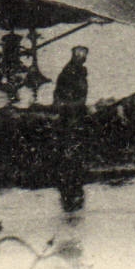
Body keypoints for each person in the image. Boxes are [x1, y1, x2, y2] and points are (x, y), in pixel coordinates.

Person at [52, 46, 90, 211]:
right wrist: (74, 107)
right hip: (71, 115)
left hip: (75, 113)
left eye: (84, 55)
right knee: (70, 142)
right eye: (80, 55)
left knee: (72, 143)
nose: (82, 57)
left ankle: (71, 173)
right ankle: (70, 174)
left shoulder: (78, 71)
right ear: (74, 56)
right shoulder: (70, 73)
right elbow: (63, 96)